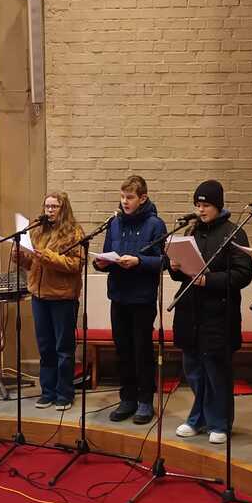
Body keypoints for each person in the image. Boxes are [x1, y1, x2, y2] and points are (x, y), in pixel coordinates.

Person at [169, 180, 252, 445]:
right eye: (197, 205)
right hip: (190, 311)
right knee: (193, 369)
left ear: (218, 206)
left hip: (218, 313)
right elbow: (181, 274)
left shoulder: (233, 233)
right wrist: (174, 266)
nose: (201, 209)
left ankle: (220, 422)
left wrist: (209, 280)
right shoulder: (191, 231)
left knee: (216, 371)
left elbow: (243, 274)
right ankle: (198, 418)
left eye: (206, 205)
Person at [94, 175, 167, 424]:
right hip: (118, 295)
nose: (125, 201)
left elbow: (164, 261)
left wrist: (139, 261)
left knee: (141, 350)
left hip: (142, 298)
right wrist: (100, 262)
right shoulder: (114, 223)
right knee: (122, 349)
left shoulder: (155, 225)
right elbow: (107, 253)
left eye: (130, 197)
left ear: (142, 198)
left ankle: (145, 400)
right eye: (122, 197)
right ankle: (127, 398)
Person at [15, 191, 85, 412]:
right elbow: (33, 264)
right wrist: (21, 257)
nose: (50, 210)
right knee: (45, 348)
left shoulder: (74, 232)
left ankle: (64, 393)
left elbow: (76, 264)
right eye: (47, 206)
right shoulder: (38, 230)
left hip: (62, 297)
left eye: (54, 206)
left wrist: (47, 256)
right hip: (39, 296)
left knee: (63, 348)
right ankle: (48, 392)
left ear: (64, 209)